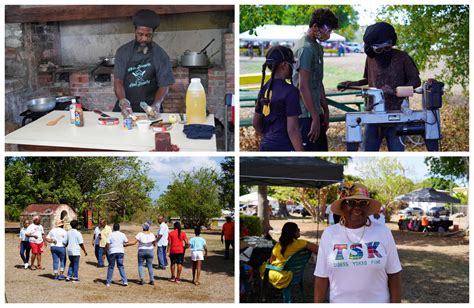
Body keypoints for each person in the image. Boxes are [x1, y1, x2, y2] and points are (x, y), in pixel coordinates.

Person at [339, 22, 421, 151]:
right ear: (372, 48)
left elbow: (416, 80)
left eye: (386, 48)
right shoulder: (370, 58)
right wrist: (352, 83)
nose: (382, 52)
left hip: (397, 114)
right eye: (378, 49)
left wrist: (396, 91)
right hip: (373, 114)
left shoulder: (402, 57)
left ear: (391, 43)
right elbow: (368, 79)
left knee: (397, 154)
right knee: (367, 152)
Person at [314, 183, 402, 303]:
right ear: (344, 206)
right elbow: (321, 277)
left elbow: (394, 274)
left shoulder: (383, 232)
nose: (357, 207)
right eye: (351, 202)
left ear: (368, 207)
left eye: (363, 203)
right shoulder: (330, 234)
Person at [113, 9, 175, 116]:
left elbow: (164, 86)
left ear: (153, 34)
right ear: (135, 31)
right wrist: (123, 102)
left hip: (150, 108)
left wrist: (157, 103)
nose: (144, 39)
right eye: (140, 34)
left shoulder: (160, 55)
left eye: (148, 35)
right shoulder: (123, 52)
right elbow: (118, 82)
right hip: (126, 107)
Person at [292, 8, 339, 151]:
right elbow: (303, 86)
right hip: (305, 114)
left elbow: (317, 81)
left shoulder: (317, 47)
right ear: (315, 27)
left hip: (316, 111)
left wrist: (325, 110)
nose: (328, 34)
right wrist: (314, 117)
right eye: (327, 30)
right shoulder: (305, 48)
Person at [253, 45, 303, 151]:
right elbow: (293, 129)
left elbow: (256, 122)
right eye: (291, 64)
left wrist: (268, 137)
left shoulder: (265, 86)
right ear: (284, 65)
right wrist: (301, 154)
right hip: (284, 146)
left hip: (266, 145)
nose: (293, 68)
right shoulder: (290, 91)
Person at [260, 222, 318, 289]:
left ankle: (264, 294)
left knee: (262, 267)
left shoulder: (277, 246)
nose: (299, 230)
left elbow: (271, 261)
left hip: (281, 276)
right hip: (295, 274)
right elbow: (319, 250)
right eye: (297, 229)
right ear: (293, 232)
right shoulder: (301, 243)